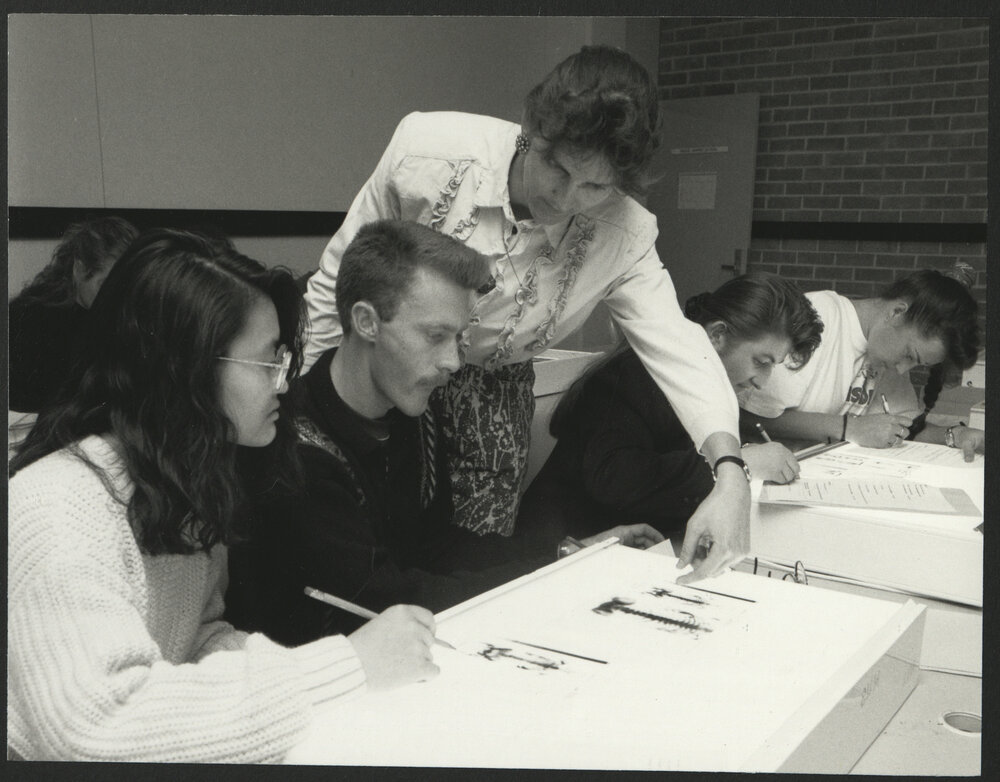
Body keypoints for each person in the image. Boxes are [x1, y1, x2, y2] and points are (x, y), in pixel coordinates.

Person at [303, 45, 749, 583]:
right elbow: (340, 282)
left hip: (495, 385)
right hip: (395, 362)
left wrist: (729, 475)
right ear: (531, 130)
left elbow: (678, 347)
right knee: (354, 528)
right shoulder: (430, 154)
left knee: (468, 556)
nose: (566, 199)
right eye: (557, 169)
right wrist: (311, 412)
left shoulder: (625, 233)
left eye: (596, 186)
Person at [7, 229, 440, 763]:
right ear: (185, 370)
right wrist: (345, 666)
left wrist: (332, 667)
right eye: (267, 363)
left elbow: (196, 641)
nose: (283, 384)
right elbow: (100, 726)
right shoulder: (58, 505)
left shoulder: (180, 486)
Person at [225, 220, 663, 647]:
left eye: (458, 338)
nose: (453, 361)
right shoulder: (292, 450)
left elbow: (439, 545)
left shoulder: (410, 412)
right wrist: (565, 569)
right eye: (435, 335)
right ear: (367, 322)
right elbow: (391, 599)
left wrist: (568, 552)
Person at [519, 274, 824, 542]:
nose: (762, 381)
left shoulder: (717, 391)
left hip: (637, 543)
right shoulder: (632, 375)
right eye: (761, 362)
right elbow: (618, 480)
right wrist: (738, 464)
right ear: (716, 335)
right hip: (562, 551)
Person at [740, 264, 983, 461]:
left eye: (917, 364)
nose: (902, 368)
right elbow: (748, 419)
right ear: (897, 312)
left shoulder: (886, 347)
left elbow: (909, 427)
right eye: (909, 355)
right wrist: (848, 428)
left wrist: (955, 434)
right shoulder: (816, 318)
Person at [8, 216, 138, 414]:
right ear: (79, 269)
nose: (115, 297)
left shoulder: (126, 313)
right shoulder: (29, 317)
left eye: (123, 286)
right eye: (104, 284)